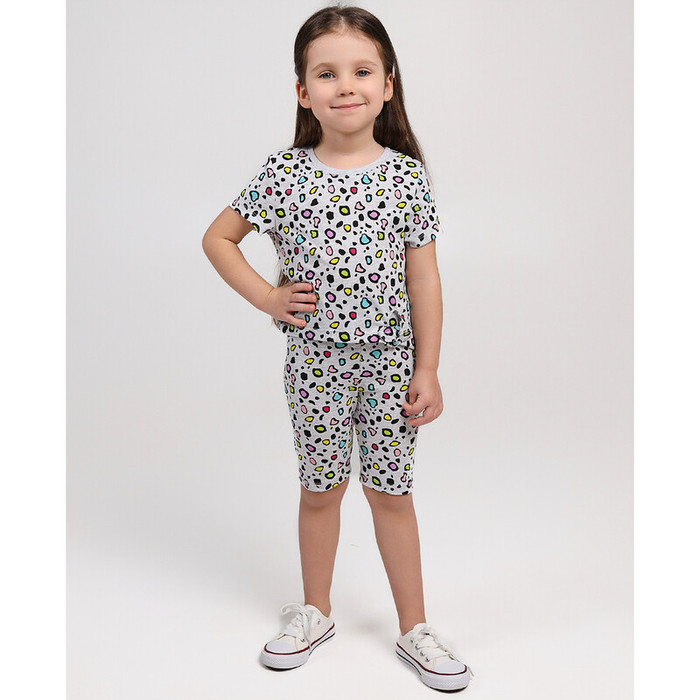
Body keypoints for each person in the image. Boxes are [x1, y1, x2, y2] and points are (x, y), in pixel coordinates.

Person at [202, 5, 474, 692]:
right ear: (303, 91)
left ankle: (414, 627)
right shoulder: (283, 174)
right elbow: (218, 238)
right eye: (326, 74)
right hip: (315, 367)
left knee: (391, 493)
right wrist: (268, 297)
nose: (345, 85)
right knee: (321, 490)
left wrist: (429, 367)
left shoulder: (406, 177)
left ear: (388, 85)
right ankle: (315, 613)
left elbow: (425, 277)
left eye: (361, 71)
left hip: (391, 368)